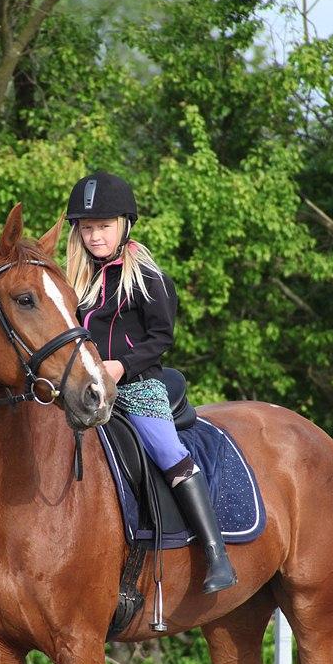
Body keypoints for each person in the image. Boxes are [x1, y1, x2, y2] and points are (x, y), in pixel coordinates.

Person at [66, 170, 236, 595]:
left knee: (167, 450)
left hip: (138, 384)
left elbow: (161, 337)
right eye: (87, 228)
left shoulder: (147, 279)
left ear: (124, 226)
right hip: (87, 388)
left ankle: (216, 554)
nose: (95, 236)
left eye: (103, 227)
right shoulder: (76, 284)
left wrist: (121, 366)